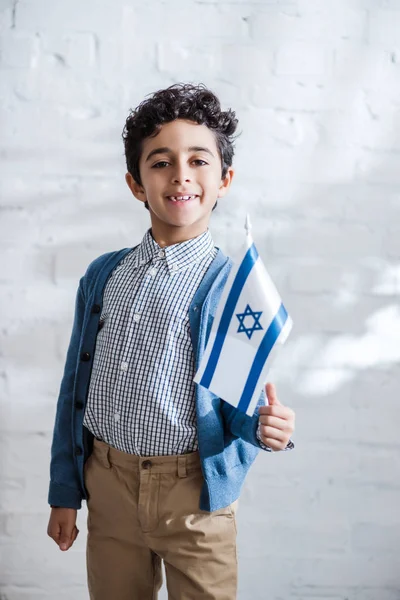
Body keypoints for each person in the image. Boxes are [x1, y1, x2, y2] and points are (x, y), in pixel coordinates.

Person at [47, 82, 296, 600]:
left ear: (224, 179)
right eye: (160, 162)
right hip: (109, 486)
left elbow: (234, 400)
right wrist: (64, 494)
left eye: (198, 160)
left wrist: (264, 427)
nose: (180, 173)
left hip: (194, 499)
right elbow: (75, 389)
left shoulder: (235, 287)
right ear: (136, 184)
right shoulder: (103, 276)